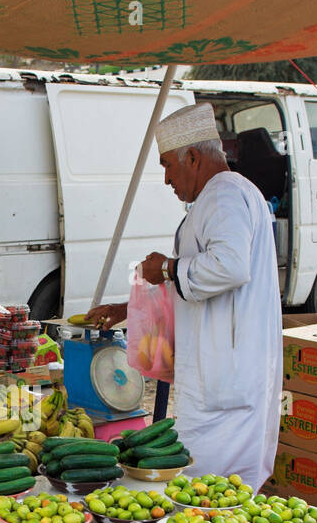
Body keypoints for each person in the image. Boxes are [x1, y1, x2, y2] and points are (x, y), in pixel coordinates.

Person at [87, 102, 282, 489]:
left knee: (209, 491)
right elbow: (200, 286)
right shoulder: (223, 196)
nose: (166, 179)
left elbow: (229, 266)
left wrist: (168, 267)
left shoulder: (223, 196)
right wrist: (129, 308)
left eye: (166, 165)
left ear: (192, 156)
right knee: (209, 490)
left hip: (225, 378)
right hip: (221, 373)